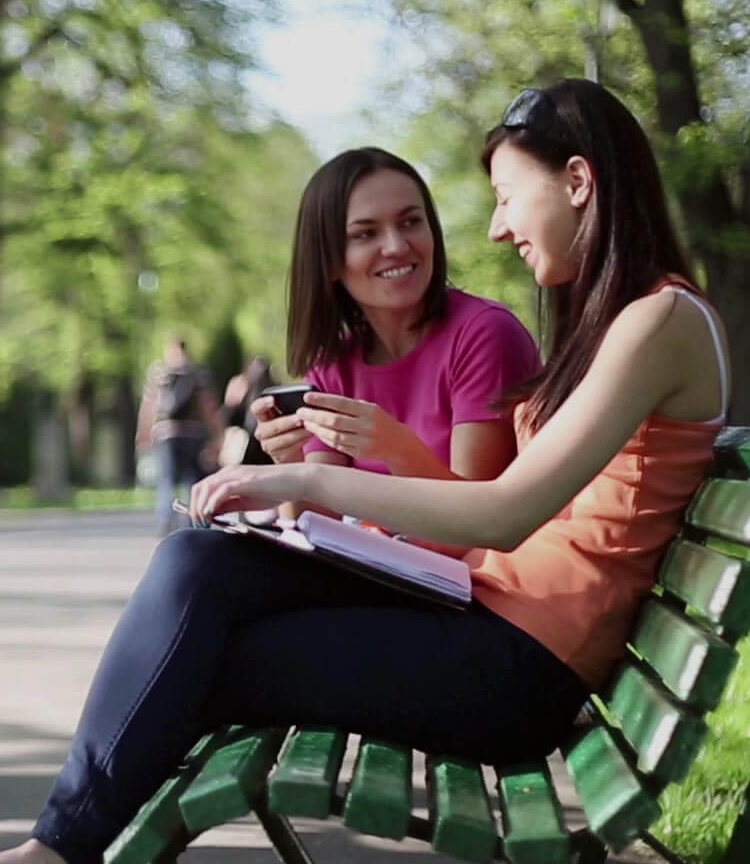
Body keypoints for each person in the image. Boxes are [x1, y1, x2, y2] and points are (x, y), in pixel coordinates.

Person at [3, 78, 732, 864]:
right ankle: (56, 848)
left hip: (521, 668)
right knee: (197, 562)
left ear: (579, 182)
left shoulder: (659, 322)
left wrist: (303, 482)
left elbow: (503, 513)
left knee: (200, 653)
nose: (495, 228)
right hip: (485, 619)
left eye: (508, 196)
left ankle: (56, 852)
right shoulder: (626, 322)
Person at [251, 147, 541, 506]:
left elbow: (476, 525)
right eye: (366, 233)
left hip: (471, 561)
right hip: (368, 561)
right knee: (196, 546)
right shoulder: (332, 364)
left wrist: (397, 448)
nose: (396, 246)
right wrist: (291, 463)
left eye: (410, 222)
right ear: (329, 262)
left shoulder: (485, 334)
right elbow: (319, 526)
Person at [135, 337, 223, 536]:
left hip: (166, 433)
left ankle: (166, 519)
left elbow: (148, 407)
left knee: (166, 479)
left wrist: (144, 434)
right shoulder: (197, 374)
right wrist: (218, 434)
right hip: (193, 433)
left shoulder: (159, 374)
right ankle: (191, 520)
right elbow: (209, 407)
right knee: (191, 480)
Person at [218, 355, 275, 467]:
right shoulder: (242, 385)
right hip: (253, 436)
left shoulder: (242, 384)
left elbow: (228, 412)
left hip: (251, 437)